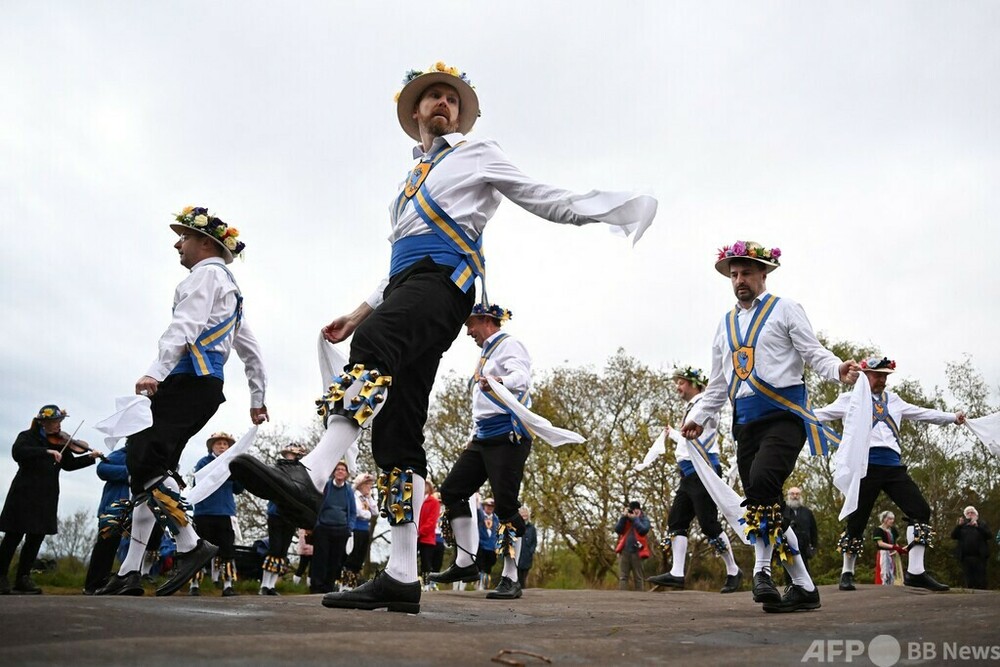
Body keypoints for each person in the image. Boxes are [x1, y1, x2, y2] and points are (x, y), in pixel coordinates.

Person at [228, 61, 656, 614]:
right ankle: (402, 575)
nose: (443, 104)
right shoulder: (406, 185)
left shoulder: (478, 154)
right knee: (397, 431)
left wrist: (610, 209)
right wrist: (358, 312)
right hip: (408, 286)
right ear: (415, 112)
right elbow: (398, 263)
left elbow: (539, 194)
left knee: (376, 344)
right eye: (432, 97)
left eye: (451, 99)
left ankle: (311, 472)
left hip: (445, 283)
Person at [95, 206, 268, 597]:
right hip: (205, 387)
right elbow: (251, 350)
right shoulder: (231, 291)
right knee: (148, 469)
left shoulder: (205, 275)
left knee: (144, 457)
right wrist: (258, 397)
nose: (178, 244)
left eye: (184, 237)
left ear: (205, 243)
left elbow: (184, 325)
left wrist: (155, 372)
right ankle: (130, 570)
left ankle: (189, 544)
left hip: (188, 380)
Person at [682, 241, 861, 613]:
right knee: (764, 503)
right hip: (744, 424)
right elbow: (718, 383)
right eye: (734, 274)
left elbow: (813, 351)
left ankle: (760, 571)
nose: (739, 280)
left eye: (746, 272)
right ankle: (804, 587)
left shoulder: (785, 309)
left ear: (764, 273)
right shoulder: (724, 325)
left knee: (762, 482)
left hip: (785, 416)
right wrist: (699, 417)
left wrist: (837, 369)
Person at [813, 355, 965, 593]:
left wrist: (952, 418)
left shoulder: (894, 400)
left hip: (893, 467)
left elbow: (922, 413)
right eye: (878, 375)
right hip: (865, 466)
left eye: (885, 376)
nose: (882, 380)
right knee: (856, 519)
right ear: (865, 375)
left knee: (921, 510)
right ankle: (847, 572)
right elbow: (818, 414)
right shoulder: (849, 399)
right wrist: (786, 411)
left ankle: (916, 572)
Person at [431, 303, 534, 600]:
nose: (468, 332)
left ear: (486, 320)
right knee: (452, 491)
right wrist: (472, 436)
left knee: (506, 506)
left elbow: (522, 378)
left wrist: (501, 381)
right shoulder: (485, 354)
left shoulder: (509, 344)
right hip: (483, 437)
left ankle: (511, 577)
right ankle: (465, 563)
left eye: (470, 325)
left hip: (507, 435)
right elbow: (482, 406)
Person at [647, 367, 743, 594]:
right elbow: (687, 440)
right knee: (676, 521)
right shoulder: (692, 406)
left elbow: (709, 422)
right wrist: (672, 434)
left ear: (693, 384)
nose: (677, 387)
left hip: (703, 470)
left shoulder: (705, 404)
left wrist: (708, 401)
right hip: (688, 473)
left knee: (708, 524)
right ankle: (677, 573)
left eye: (681, 382)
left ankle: (733, 570)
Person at [0, 405, 101, 594]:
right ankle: (1, 576)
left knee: (36, 537)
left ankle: (23, 578)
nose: (58, 425)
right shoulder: (27, 437)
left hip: (46, 496)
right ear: (43, 423)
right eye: (54, 422)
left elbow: (69, 464)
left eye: (59, 421)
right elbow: (18, 452)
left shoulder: (60, 441)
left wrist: (90, 457)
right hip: (23, 494)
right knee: (13, 536)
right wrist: (46, 451)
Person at [189, 432, 243, 597]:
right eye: (218, 443)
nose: (222, 447)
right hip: (204, 512)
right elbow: (198, 483)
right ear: (212, 446)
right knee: (200, 550)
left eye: (225, 444)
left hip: (225, 512)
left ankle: (227, 585)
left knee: (227, 550)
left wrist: (241, 474)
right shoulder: (204, 463)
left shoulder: (232, 464)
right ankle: (194, 584)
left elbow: (238, 489)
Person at [260, 444, 308, 596]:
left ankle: (272, 585)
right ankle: (264, 584)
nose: (291, 457)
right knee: (274, 548)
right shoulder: (277, 469)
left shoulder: (301, 472)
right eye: (289, 454)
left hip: (291, 515)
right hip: (276, 512)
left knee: (282, 550)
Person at [84, 445, 130, 594]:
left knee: (127, 548)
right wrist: (129, 472)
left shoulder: (146, 458)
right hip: (114, 507)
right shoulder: (121, 454)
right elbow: (102, 469)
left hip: (133, 509)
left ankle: (121, 581)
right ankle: (93, 584)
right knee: (105, 546)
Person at [310, 461, 356, 594]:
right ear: (334, 472)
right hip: (323, 528)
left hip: (341, 529)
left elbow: (353, 511)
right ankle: (316, 587)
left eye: (343, 469)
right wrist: (316, 524)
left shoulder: (349, 490)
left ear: (346, 474)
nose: (340, 471)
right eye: (338, 469)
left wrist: (349, 528)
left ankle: (328, 588)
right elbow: (317, 504)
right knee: (320, 558)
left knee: (335, 560)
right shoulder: (326, 486)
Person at [342, 472, 377, 589]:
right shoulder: (355, 496)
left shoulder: (366, 498)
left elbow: (376, 511)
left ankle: (353, 583)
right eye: (367, 484)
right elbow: (359, 512)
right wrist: (368, 514)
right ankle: (346, 583)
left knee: (360, 557)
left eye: (370, 484)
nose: (369, 487)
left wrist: (370, 498)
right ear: (360, 485)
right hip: (355, 529)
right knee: (352, 555)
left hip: (365, 530)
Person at [951, 505, 991, 589]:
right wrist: (959, 526)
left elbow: (989, 535)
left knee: (980, 578)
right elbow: (953, 536)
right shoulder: (962, 526)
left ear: (976, 514)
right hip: (966, 557)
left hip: (979, 557)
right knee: (969, 578)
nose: (970, 514)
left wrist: (978, 527)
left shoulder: (982, 524)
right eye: (968, 513)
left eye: (972, 512)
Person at [615, 501, 651, 591]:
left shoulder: (644, 519)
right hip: (625, 550)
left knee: (638, 578)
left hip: (638, 551)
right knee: (623, 577)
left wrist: (635, 519)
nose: (633, 512)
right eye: (631, 510)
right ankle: (622, 596)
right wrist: (623, 517)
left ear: (639, 510)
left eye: (635, 510)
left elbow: (643, 530)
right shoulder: (625, 519)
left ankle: (639, 597)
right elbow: (618, 530)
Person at [782, 487, 818, 575]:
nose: (795, 496)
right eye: (792, 494)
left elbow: (813, 530)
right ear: (788, 496)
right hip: (787, 546)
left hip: (804, 548)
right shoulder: (784, 511)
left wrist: (814, 546)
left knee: (805, 571)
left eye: (797, 494)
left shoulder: (807, 512)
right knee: (789, 572)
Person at [418, 479, 443, 590]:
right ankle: (420, 582)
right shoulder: (417, 500)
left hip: (427, 537)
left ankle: (427, 583)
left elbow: (431, 521)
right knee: (419, 562)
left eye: (426, 485)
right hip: (416, 535)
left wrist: (420, 531)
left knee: (427, 562)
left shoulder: (434, 502)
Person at [872, 510, 904, 585]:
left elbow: (895, 542)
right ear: (884, 519)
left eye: (893, 519)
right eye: (890, 519)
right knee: (884, 573)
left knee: (893, 572)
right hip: (883, 553)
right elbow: (880, 543)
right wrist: (893, 547)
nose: (892, 521)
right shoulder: (878, 530)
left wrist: (899, 549)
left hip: (893, 554)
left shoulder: (893, 530)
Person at [516, 506, 537, 588]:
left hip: (527, 556)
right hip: (517, 555)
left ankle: (523, 589)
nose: (524, 515)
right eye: (522, 513)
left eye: (525, 513)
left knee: (524, 577)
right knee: (517, 576)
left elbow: (534, 542)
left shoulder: (532, 528)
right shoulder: (516, 526)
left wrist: (531, 551)